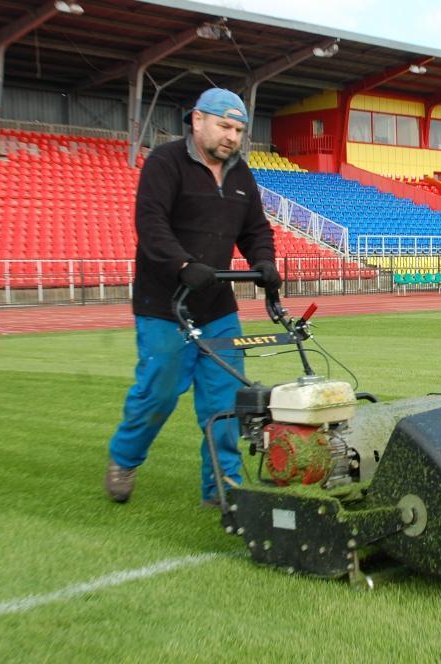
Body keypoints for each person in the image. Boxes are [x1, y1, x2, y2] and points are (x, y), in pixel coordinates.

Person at [104, 88, 282, 507]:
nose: (232, 137)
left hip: (217, 306)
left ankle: (223, 486)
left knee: (224, 400)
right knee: (159, 393)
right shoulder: (165, 163)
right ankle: (125, 459)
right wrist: (184, 265)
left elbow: (256, 230)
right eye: (225, 126)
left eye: (238, 130)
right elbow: (151, 225)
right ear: (197, 120)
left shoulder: (241, 176)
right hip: (165, 305)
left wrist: (265, 263)